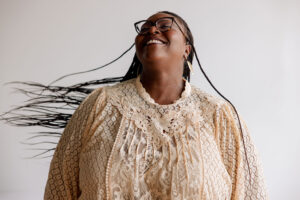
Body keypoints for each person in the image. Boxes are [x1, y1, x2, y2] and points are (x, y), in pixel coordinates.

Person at [43, 11, 268, 199]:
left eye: (164, 25)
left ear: (186, 49)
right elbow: (59, 188)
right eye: (144, 28)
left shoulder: (219, 114)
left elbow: (251, 192)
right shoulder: (99, 104)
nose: (151, 30)